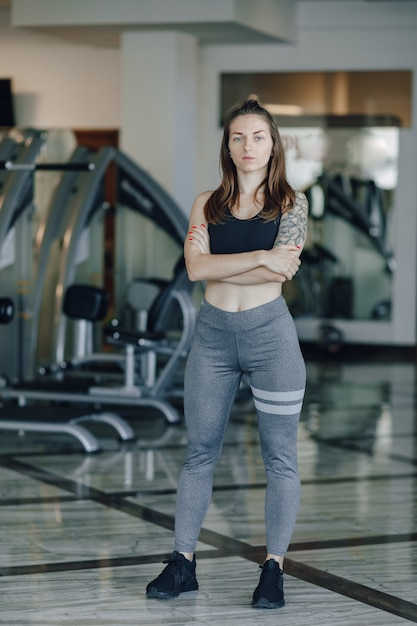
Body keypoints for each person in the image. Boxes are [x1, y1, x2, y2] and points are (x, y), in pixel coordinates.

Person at [146, 98, 308, 609]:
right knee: (200, 453)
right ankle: (182, 563)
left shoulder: (292, 205)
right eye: (238, 137)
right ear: (228, 145)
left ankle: (273, 568)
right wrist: (261, 255)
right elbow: (196, 271)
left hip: (271, 336)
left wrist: (223, 262)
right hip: (212, 337)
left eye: (258, 136)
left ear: (273, 143)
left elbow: (278, 274)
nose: (247, 146)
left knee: (279, 457)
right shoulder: (206, 204)